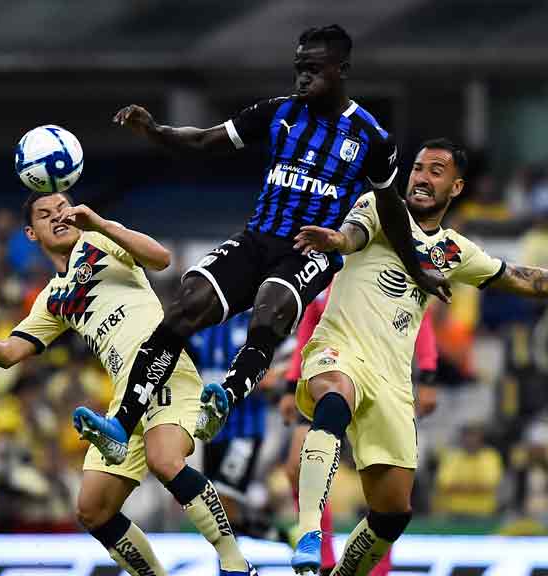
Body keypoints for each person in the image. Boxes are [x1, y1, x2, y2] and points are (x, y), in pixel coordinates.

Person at [96, 24, 450, 463]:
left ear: (342, 70)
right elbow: (206, 140)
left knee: (271, 303)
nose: (303, 78)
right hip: (257, 238)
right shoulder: (279, 112)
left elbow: (391, 208)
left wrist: (417, 267)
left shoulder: (371, 138)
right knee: (186, 305)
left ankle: (224, 396)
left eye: (314, 69)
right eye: (299, 68)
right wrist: (155, 130)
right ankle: (121, 424)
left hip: (311, 250)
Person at [289, 138, 548, 574]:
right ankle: (309, 529)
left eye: (435, 171)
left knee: (393, 513)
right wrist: (338, 240)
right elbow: (352, 235)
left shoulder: (453, 251)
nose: (420, 177)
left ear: (456, 188)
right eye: (417, 168)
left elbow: (519, 278)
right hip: (340, 349)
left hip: (393, 381)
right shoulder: (380, 207)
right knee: (333, 396)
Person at [0, 192, 254, 576]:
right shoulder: (52, 299)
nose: (58, 217)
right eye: (45, 215)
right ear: (31, 233)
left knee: (165, 460)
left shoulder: (102, 241)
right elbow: (8, 353)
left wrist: (100, 224)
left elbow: (162, 258)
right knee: (92, 509)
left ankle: (235, 563)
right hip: (125, 398)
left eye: (62, 209)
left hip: (164, 367)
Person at [279, 287, 439, 576]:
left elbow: (419, 316)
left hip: (380, 384)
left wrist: (427, 373)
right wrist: (293, 383)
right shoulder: (331, 267)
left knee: (383, 484)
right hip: (333, 376)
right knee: (297, 466)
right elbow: (310, 327)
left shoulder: (384, 264)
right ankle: (323, 559)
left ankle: (377, 567)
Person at [187, 310, 283, 542]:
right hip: (212, 431)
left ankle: (233, 566)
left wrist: (267, 379)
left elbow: (277, 372)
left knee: (223, 500)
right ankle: (273, 533)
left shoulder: (255, 322)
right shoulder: (201, 326)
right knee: (217, 508)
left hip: (245, 430)